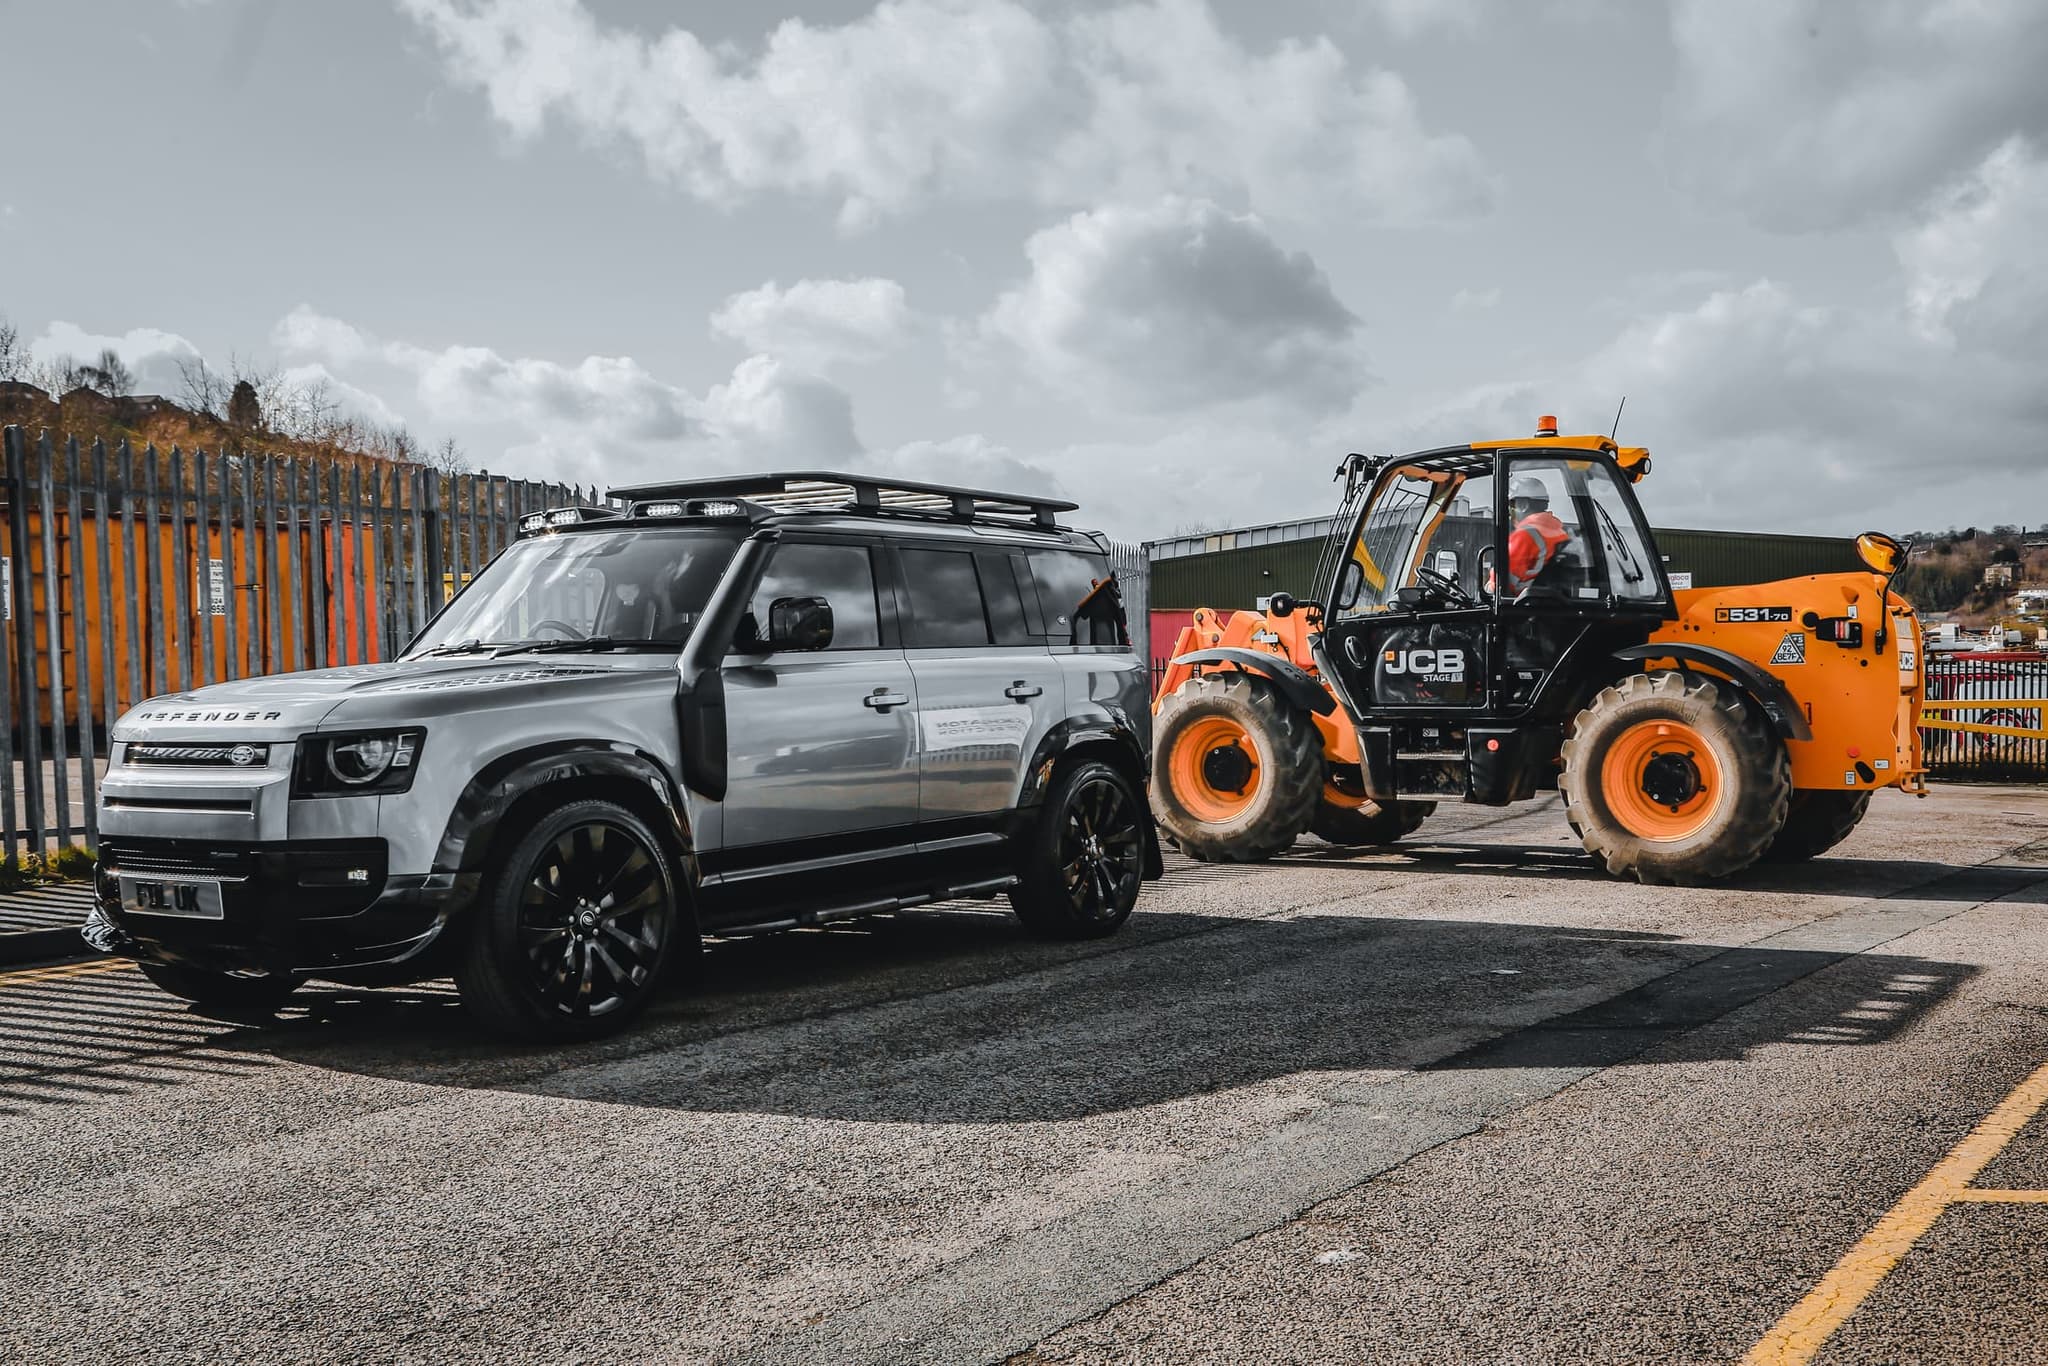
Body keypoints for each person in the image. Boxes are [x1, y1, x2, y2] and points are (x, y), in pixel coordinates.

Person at [1502, 476, 1571, 595]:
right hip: (1552, 602)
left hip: (1523, 607)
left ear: (1523, 505)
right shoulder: (1559, 531)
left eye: (1511, 505)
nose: (1509, 511)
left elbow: (1499, 583)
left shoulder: (1524, 535)